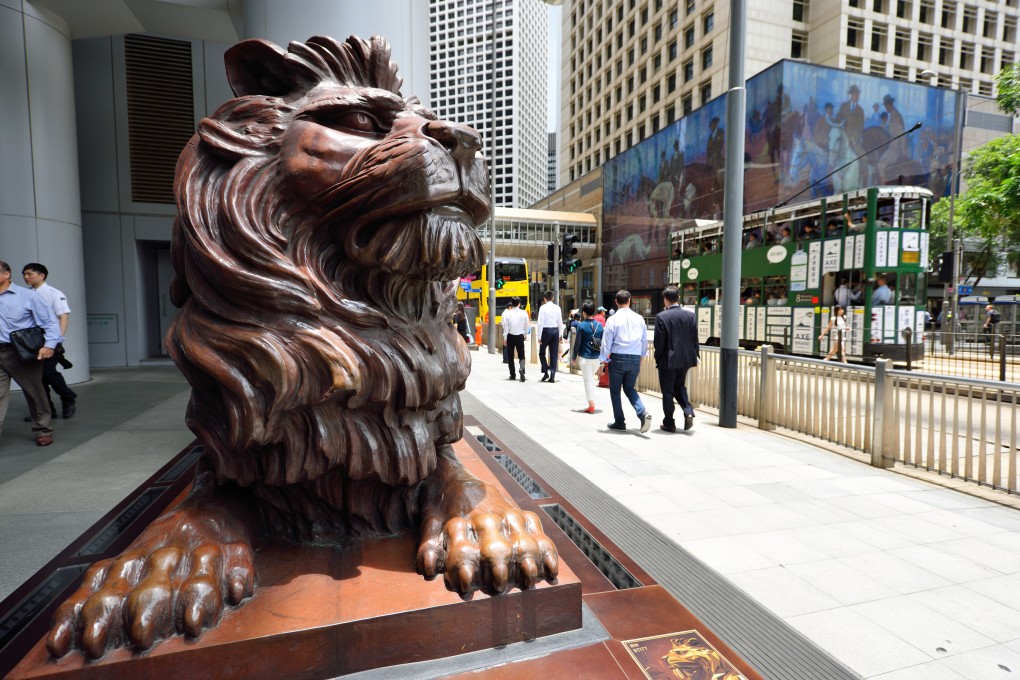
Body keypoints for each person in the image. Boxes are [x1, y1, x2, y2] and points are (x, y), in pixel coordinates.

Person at [0, 260, 60, 446]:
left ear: (6, 274)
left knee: (34, 392)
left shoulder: (28, 296)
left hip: (21, 352)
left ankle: (43, 430)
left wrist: (49, 346)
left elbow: (50, 322)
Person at [21, 263, 77, 420]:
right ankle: (46, 409)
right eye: (24, 274)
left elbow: (63, 317)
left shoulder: (54, 293)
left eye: (29, 274)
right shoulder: (25, 294)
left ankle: (67, 397)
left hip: (50, 339)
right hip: (31, 341)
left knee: (48, 372)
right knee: (37, 377)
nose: (25, 277)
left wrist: (58, 340)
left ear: (41, 276)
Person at [596, 290, 652, 433]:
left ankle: (619, 422)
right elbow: (644, 340)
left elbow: (606, 343)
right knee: (629, 388)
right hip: (635, 357)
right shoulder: (639, 318)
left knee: (615, 391)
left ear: (616, 302)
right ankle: (642, 412)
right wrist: (642, 355)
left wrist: (602, 361)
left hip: (618, 357)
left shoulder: (612, 319)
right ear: (629, 301)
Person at [653, 285, 699, 432]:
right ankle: (688, 411)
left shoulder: (662, 317)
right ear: (678, 298)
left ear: (665, 300)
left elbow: (659, 342)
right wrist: (695, 355)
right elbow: (695, 338)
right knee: (679, 386)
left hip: (668, 360)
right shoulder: (690, 316)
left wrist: (657, 358)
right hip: (685, 359)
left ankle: (669, 422)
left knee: (668, 391)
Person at [570, 301, 604, 414]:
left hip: (585, 358)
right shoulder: (600, 325)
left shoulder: (581, 325)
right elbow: (602, 343)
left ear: (584, 313)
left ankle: (591, 404)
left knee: (588, 380)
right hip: (597, 358)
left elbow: (578, 343)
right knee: (590, 380)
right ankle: (591, 402)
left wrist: (574, 356)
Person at [537, 290, 563, 383]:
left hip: (545, 331)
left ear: (544, 298)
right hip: (555, 331)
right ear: (553, 298)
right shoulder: (557, 308)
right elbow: (560, 322)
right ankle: (552, 375)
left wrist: (539, 336)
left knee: (541, 353)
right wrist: (560, 335)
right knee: (553, 354)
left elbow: (540, 323)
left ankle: (545, 371)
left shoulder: (542, 308)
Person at [501, 296, 530, 382]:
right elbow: (527, 324)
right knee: (521, 355)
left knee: (510, 356)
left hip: (510, 336)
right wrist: (525, 333)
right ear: (519, 304)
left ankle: (512, 374)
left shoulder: (508, 313)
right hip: (520, 336)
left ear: (512, 304)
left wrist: (505, 338)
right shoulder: (524, 313)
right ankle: (521, 368)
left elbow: (505, 327)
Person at [834, 84, 865, 155]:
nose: (857, 95)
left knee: (862, 155)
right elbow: (838, 120)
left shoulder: (860, 110)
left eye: (858, 94)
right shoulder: (843, 106)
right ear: (851, 94)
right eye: (855, 93)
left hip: (855, 139)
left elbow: (861, 127)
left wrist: (853, 138)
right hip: (843, 136)